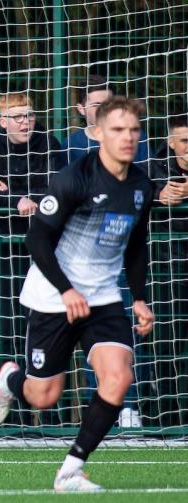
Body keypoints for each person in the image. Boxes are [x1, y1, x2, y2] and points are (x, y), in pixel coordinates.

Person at [0, 96, 155, 492]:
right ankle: (12, 381)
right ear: (97, 133)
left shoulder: (141, 187)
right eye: (117, 129)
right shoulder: (73, 179)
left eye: (133, 130)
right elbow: (38, 238)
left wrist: (140, 298)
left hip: (103, 299)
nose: (127, 137)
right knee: (43, 396)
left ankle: (70, 471)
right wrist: (66, 290)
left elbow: (135, 244)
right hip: (53, 296)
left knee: (117, 377)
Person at [62, 76, 151, 427]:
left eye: (109, 104)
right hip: (78, 262)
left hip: (118, 253)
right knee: (85, 336)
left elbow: (146, 185)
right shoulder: (68, 147)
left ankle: (128, 405)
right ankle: (96, 404)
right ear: (81, 109)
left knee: (125, 330)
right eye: (97, 105)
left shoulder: (133, 147)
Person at [0, 93, 63, 416]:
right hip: (3, 249)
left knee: (43, 322)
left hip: (46, 248)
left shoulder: (49, 143)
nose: (26, 121)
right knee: (6, 320)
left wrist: (12, 191)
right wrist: (14, 201)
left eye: (30, 114)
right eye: (19, 116)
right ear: (3, 122)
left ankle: (46, 410)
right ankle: (11, 397)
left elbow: (56, 190)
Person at [147, 112, 188, 426]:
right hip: (168, 266)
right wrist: (159, 196)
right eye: (184, 141)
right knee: (169, 338)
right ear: (171, 143)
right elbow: (135, 197)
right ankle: (168, 416)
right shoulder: (153, 169)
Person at [61, 75, 151, 168]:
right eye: (96, 105)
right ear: (81, 109)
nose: (103, 110)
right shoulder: (70, 145)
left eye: (107, 104)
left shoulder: (136, 137)